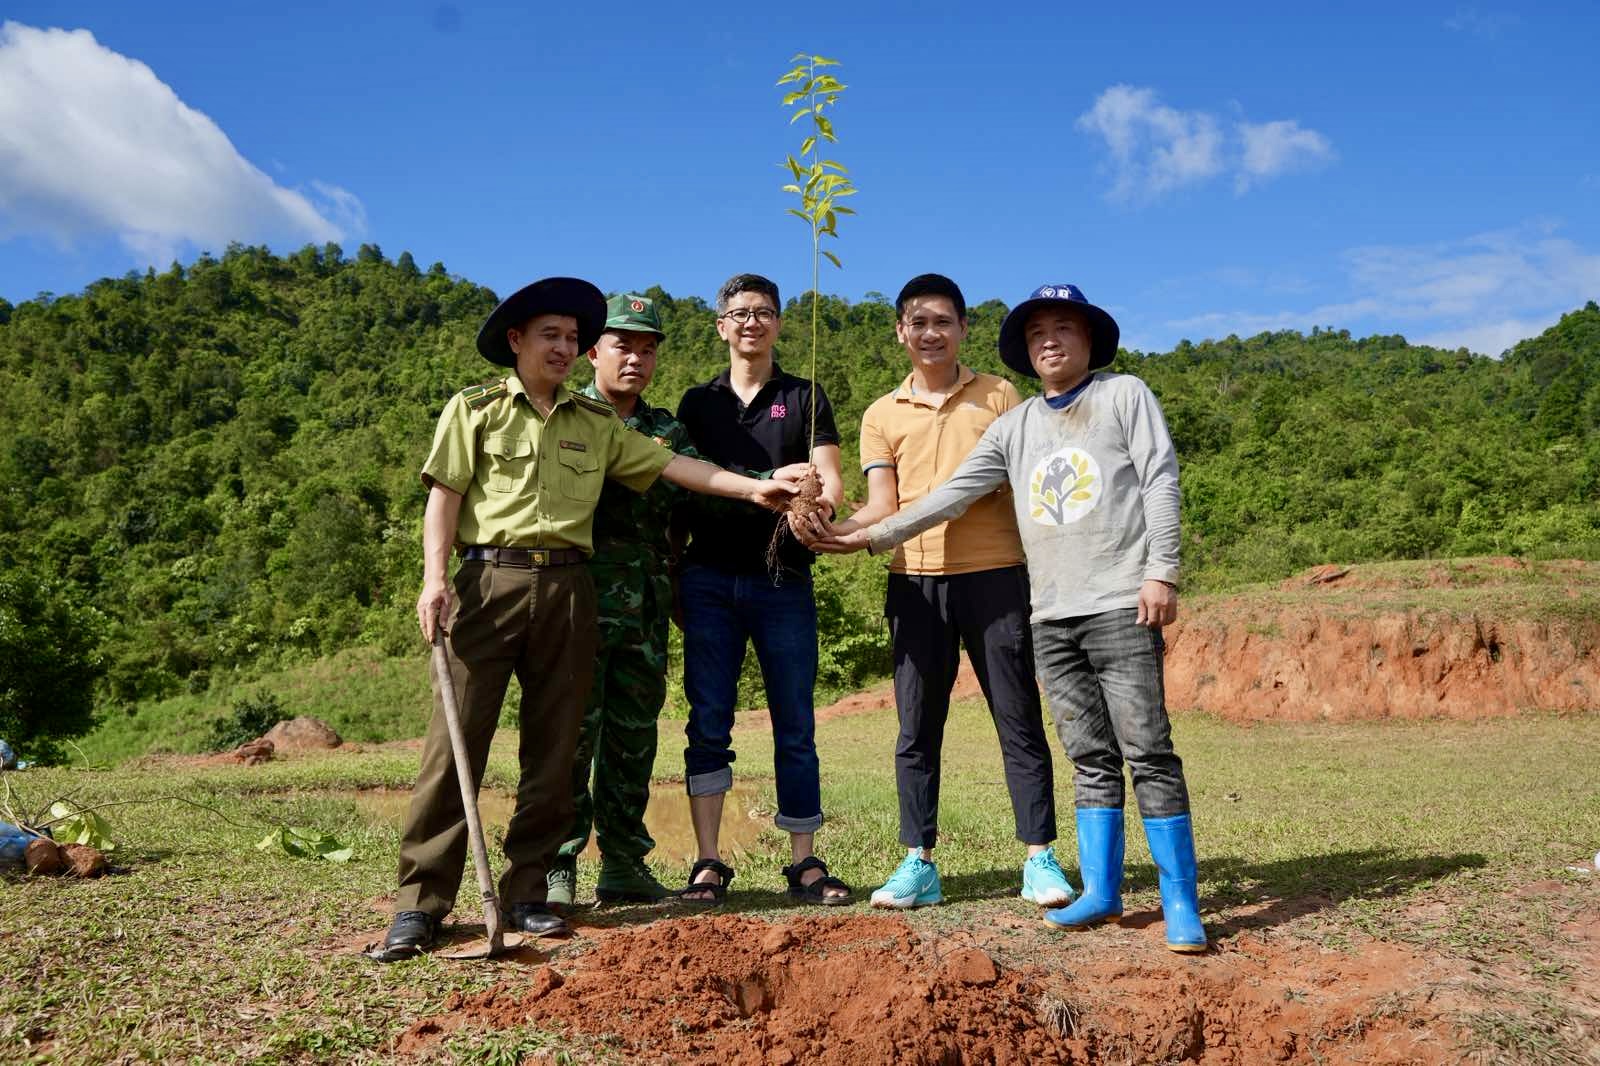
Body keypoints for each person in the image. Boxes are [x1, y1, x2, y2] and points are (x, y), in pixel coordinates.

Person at [378, 277, 797, 960]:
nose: (563, 348)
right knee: (456, 746)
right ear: (516, 340)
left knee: (555, 748)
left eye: (572, 338)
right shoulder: (475, 408)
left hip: (571, 587)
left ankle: (528, 892)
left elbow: (676, 467)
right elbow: (445, 495)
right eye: (552, 335)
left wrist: (758, 489)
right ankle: (421, 904)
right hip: (489, 581)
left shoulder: (594, 424)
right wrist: (433, 580)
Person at [802, 283, 1206, 952]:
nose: (1050, 340)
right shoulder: (1013, 426)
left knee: (1146, 750)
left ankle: (1178, 902)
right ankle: (1102, 893)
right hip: (1048, 611)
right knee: (1089, 755)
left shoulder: (1121, 395)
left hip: (1112, 600)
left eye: (1064, 327)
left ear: (1089, 339)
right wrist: (861, 537)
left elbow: (1159, 478)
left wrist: (1161, 570)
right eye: (1038, 331)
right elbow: (951, 495)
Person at [817, 274, 1074, 910]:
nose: (930, 333)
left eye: (943, 322)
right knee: (916, 727)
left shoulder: (1000, 395)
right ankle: (918, 862)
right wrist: (833, 531)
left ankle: (1039, 857)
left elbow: (1019, 479)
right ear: (900, 332)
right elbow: (882, 505)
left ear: (962, 328)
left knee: (1017, 716)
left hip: (996, 577)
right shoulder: (881, 414)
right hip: (914, 580)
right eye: (918, 323)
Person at [669, 272, 853, 906]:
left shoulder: (804, 395)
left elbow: (831, 477)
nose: (752, 322)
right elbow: (685, 482)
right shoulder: (697, 403)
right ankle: (708, 861)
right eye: (741, 312)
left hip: (785, 580)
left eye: (765, 312)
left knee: (794, 721)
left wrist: (820, 504)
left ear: (779, 324)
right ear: (722, 326)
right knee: (708, 720)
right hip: (708, 579)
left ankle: (805, 863)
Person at [547, 293, 698, 908]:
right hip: (577, 599)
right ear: (593, 352)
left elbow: (700, 494)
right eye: (623, 346)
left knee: (633, 738)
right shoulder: (566, 416)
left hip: (645, 606)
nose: (635, 358)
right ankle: (557, 864)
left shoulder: (668, 431)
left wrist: (775, 487)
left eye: (647, 348)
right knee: (569, 735)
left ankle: (624, 864)